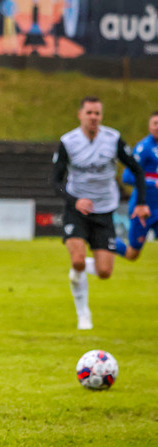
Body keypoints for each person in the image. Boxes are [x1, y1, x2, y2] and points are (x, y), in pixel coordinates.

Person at [50, 96, 146, 330]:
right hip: (77, 210)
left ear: (101, 116)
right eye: (89, 113)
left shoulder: (112, 139)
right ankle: (83, 314)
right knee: (77, 260)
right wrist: (75, 201)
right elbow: (55, 181)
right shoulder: (68, 142)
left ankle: (81, 267)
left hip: (104, 210)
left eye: (97, 113)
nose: (93, 117)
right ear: (80, 115)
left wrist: (141, 202)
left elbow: (137, 170)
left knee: (104, 272)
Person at [115, 111, 158, 262]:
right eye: (155, 123)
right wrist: (152, 183)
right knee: (132, 254)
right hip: (143, 208)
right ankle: (106, 241)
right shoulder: (144, 147)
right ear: (149, 126)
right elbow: (127, 177)